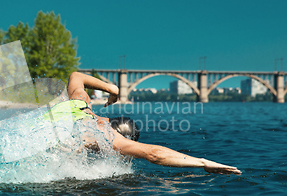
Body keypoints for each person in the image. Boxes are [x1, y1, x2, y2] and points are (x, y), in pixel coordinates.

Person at [66, 71, 241, 175]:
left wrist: (113, 89)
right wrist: (203, 162)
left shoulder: (80, 103)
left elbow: (76, 76)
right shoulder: (106, 135)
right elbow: (154, 154)